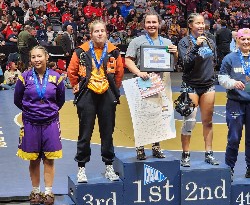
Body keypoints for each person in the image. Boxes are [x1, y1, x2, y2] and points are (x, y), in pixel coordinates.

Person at [67, 19, 124, 183]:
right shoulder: (81, 51)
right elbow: (72, 72)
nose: (100, 34)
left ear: (106, 33)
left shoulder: (114, 51)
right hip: (87, 94)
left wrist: (113, 90)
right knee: (85, 133)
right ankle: (81, 168)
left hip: (107, 94)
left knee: (108, 132)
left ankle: (109, 166)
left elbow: (119, 73)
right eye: (96, 31)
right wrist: (79, 90)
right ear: (90, 34)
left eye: (102, 31)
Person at [14, 46, 65, 205]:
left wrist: (48, 111)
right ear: (30, 60)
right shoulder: (24, 78)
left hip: (50, 123)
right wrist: (31, 112)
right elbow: (17, 100)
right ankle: (36, 190)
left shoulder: (57, 78)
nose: (37, 60)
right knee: (34, 159)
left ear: (46, 57)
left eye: (39, 56)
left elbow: (60, 100)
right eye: (34, 57)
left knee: (49, 159)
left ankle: (48, 191)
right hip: (30, 123)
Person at [125, 9, 178, 160]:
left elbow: (174, 62)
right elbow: (128, 60)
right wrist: (139, 72)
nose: (151, 25)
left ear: (159, 24)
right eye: (148, 22)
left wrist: (176, 53)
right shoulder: (137, 41)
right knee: (142, 116)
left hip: (162, 84)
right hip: (144, 83)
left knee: (160, 115)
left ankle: (156, 146)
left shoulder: (167, 42)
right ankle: (140, 147)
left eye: (154, 22)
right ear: (144, 24)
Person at [178, 13, 219, 167]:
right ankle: (186, 154)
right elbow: (185, 63)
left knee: (207, 122)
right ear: (190, 25)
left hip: (208, 85)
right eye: (198, 23)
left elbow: (214, 59)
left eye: (203, 23)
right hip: (191, 86)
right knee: (189, 122)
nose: (201, 26)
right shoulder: (184, 42)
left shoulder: (210, 40)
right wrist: (195, 46)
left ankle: (209, 153)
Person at [218, 28, 250, 180]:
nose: (246, 42)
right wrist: (232, 83)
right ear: (237, 40)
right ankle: (229, 168)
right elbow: (221, 78)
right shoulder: (229, 58)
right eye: (243, 39)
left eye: (248, 39)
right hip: (235, 103)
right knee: (234, 138)